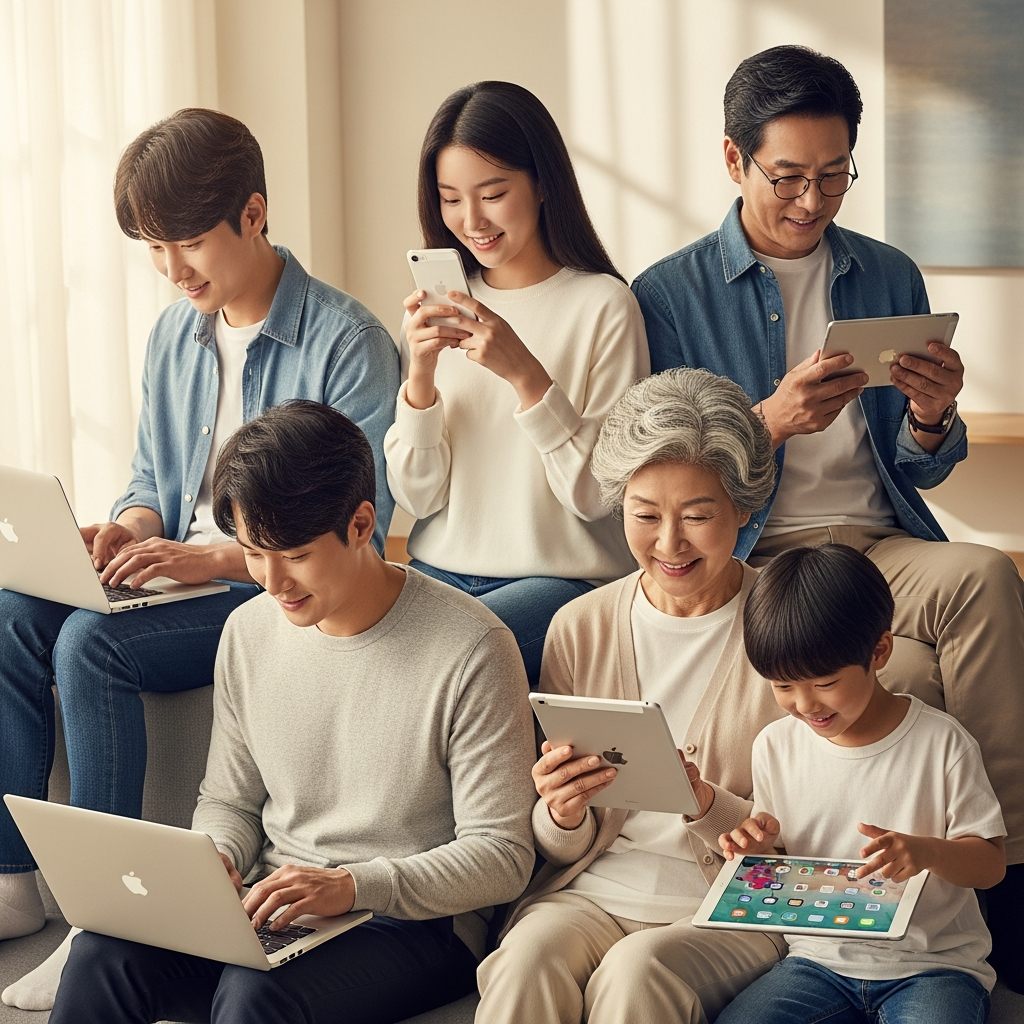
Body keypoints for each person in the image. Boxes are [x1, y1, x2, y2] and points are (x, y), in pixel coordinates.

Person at [630, 44, 1024, 985]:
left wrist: (932, 414)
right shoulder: (667, 293)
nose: (814, 200)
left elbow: (920, 466)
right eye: (789, 177)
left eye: (837, 175)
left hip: (881, 535)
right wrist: (766, 423)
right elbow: (664, 474)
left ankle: (1003, 870)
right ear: (734, 162)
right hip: (760, 550)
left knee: (986, 575)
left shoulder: (888, 275)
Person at [0, 109, 399, 1010]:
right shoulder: (173, 336)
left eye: (186, 244)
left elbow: (358, 525)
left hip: (266, 588)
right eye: (152, 248)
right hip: (178, 573)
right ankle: (15, 877)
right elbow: (151, 476)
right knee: (16, 613)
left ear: (253, 214)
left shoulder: (348, 342)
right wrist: (127, 529)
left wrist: (207, 558)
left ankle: (97, 922)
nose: (172, 272)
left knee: (86, 649)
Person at [48, 400, 537, 1024]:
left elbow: (501, 855)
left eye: (296, 554)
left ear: (362, 524)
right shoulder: (248, 631)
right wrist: (217, 860)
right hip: (274, 904)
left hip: (415, 924)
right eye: (253, 552)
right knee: (100, 955)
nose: (273, 581)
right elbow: (229, 800)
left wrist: (354, 885)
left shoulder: (472, 646)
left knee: (257, 995)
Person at [476, 368, 791, 1024]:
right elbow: (557, 841)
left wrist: (707, 805)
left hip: (727, 904)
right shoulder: (580, 626)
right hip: (588, 893)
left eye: (697, 516)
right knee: (524, 960)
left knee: (636, 973)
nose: (668, 543)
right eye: (645, 515)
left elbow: (810, 828)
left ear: (743, 508)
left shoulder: (788, 625)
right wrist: (561, 814)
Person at [384, 81, 650, 687]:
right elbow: (418, 499)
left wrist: (526, 375)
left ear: (542, 184)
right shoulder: (437, 307)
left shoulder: (604, 306)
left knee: (443, 663)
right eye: (451, 199)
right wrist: (420, 381)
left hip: (559, 582)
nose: (471, 221)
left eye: (493, 194)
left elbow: (596, 497)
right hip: (436, 570)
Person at [716, 544, 1005, 1024]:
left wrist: (927, 852)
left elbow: (991, 864)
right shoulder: (774, 746)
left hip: (933, 967)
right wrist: (759, 851)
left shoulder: (942, 744)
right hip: (817, 962)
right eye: (783, 686)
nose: (805, 704)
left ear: (880, 651)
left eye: (824, 682)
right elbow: (785, 869)